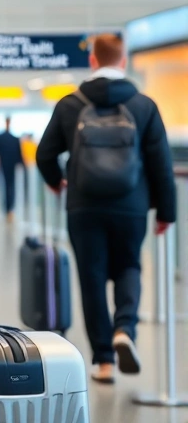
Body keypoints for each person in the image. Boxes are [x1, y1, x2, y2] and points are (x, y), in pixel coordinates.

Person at [37, 33, 176, 384]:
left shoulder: (70, 103)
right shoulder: (143, 105)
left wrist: (56, 181)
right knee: (129, 265)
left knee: (92, 277)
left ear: (93, 61)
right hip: (131, 204)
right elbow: (160, 164)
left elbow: (44, 154)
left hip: (84, 204)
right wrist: (166, 211)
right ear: (124, 61)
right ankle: (124, 329)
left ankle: (103, 362)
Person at [0, 116, 23, 223]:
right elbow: (19, 156)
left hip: (5, 165)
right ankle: (8, 210)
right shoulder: (14, 139)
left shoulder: (1, 138)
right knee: (9, 187)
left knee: (7, 187)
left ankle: (8, 209)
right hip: (8, 165)